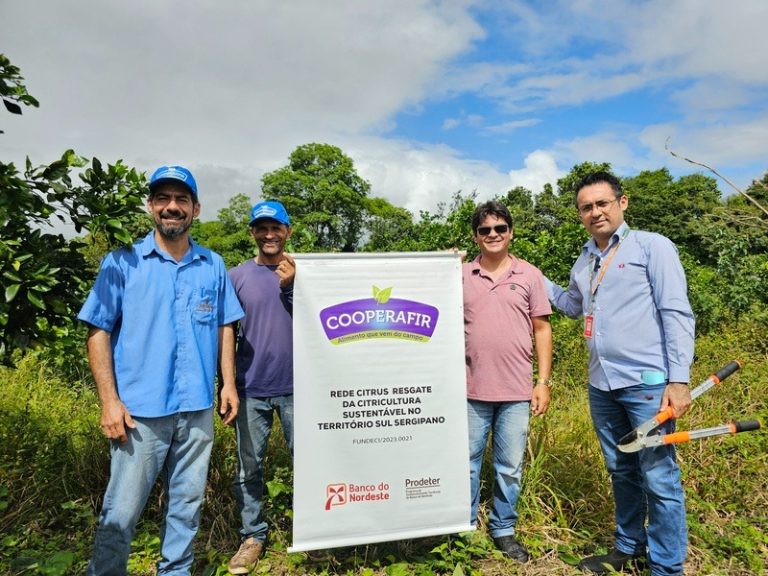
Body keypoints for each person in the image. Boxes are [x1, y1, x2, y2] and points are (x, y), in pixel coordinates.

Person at [78, 165, 244, 575]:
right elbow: (97, 331)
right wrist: (108, 402)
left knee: (187, 505)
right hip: (140, 414)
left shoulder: (212, 264)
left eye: (181, 200)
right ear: (151, 206)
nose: (173, 207)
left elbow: (225, 325)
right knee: (121, 511)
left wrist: (228, 383)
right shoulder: (122, 262)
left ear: (196, 209)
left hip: (196, 409)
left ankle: (176, 571)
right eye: (164, 199)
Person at [546, 171, 695, 576]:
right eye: (586, 207)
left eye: (602, 203)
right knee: (620, 469)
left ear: (621, 203)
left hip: (647, 386)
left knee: (659, 475)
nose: (595, 212)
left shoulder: (652, 247)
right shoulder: (584, 259)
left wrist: (678, 380)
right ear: (579, 214)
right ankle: (628, 546)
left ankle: (666, 567)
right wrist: (524, 272)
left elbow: (676, 312)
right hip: (602, 385)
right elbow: (572, 305)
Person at [463, 200, 553, 563]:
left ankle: (503, 529)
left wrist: (542, 381)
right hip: (470, 389)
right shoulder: (461, 275)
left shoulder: (530, 275)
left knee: (509, 465)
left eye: (500, 228)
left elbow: (542, 329)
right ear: (476, 236)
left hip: (517, 390)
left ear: (511, 232)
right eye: (485, 230)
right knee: (466, 462)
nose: (493, 235)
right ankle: (464, 527)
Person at [226, 200, 296, 575]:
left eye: (276, 227)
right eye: (262, 228)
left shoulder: (304, 272)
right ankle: (253, 536)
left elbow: (323, 322)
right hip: (250, 388)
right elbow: (225, 334)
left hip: (300, 389)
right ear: (252, 232)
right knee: (249, 467)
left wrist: (290, 286)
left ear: (288, 230)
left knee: (311, 463)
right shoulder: (235, 276)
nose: (269, 235)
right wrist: (227, 385)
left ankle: (312, 531)